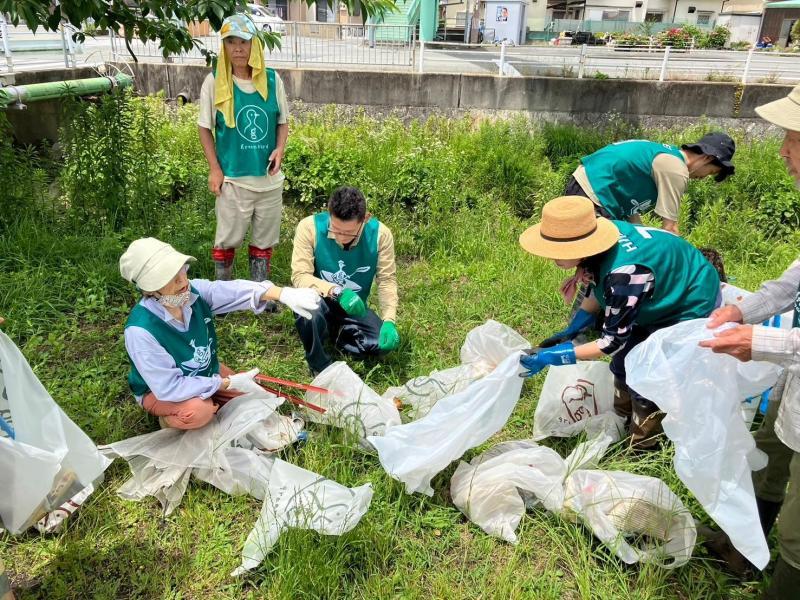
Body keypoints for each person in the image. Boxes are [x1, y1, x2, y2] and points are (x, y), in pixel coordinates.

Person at [700, 83, 800, 598]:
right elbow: (792, 283)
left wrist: (763, 342)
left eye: (792, 138)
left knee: (798, 535)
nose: (783, 150)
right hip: (796, 378)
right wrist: (741, 309)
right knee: (768, 451)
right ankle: (743, 546)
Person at [518, 195, 720, 448]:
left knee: (649, 374)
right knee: (624, 362)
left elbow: (610, 342)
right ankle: (622, 418)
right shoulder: (604, 239)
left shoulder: (624, 274)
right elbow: (598, 287)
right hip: (653, 287)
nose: (552, 257)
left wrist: (556, 356)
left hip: (687, 299)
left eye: (558, 251)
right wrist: (575, 327)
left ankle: (644, 444)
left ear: (581, 248)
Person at [120, 237, 320, 430]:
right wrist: (225, 383)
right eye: (169, 277)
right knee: (199, 412)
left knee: (250, 396)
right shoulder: (141, 330)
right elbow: (169, 387)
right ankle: (170, 419)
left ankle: (211, 395)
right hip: (161, 392)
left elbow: (232, 291)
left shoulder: (193, 294)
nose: (182, 280)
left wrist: (281, 293)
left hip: (203, 370)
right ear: (149, 290)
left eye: (181, 270)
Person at [198, 14, 289, 285]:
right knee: (226, 239)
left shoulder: (273, 81)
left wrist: (280, 149)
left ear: (255, 46)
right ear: (224, 47)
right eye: (231, 42)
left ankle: (260, 291)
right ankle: (223, 293)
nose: (238, 48)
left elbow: (282, 122)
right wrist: (215, 169)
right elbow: (205, 127)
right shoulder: (215, 82)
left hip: (268, 180)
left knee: (264, 238)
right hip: (234, 178)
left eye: (244, 42)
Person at [291, 186, 400, 375]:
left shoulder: (381, 235)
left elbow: (387, 280)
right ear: (329, 214)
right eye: (335, 230)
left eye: (348, 233)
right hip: (319, 299)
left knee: (380, 344)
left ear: (365, 219)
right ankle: (319, 364)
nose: (340, 238)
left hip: (354, 305)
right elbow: (300, 276)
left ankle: (339, 334)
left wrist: (389, 319)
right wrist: (336, 290)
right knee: (307, 311)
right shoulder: (309, 227)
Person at [566, 133, 736, 235]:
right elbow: (670, 229)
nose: (705, 177)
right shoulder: (676, 169)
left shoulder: (665, 155)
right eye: (711, 172)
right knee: (604, 260)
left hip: (586, 185)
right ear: (707, 158)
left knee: (598, 263)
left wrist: (641, 235)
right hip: (595, 193)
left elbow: (629, 207)